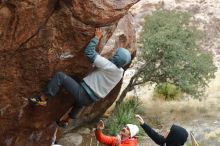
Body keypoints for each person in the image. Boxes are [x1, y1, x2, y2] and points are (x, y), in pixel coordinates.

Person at [29, 28, 131, 127]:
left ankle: (43, 99)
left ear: (116, 57)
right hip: (90, 100)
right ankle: (65, 121)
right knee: (79, 103)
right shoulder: (120, 72)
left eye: (115, 54)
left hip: (83, 93)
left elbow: (89, 53)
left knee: (60, 76)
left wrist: (96, 37)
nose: (114, 54)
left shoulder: (109, 66)